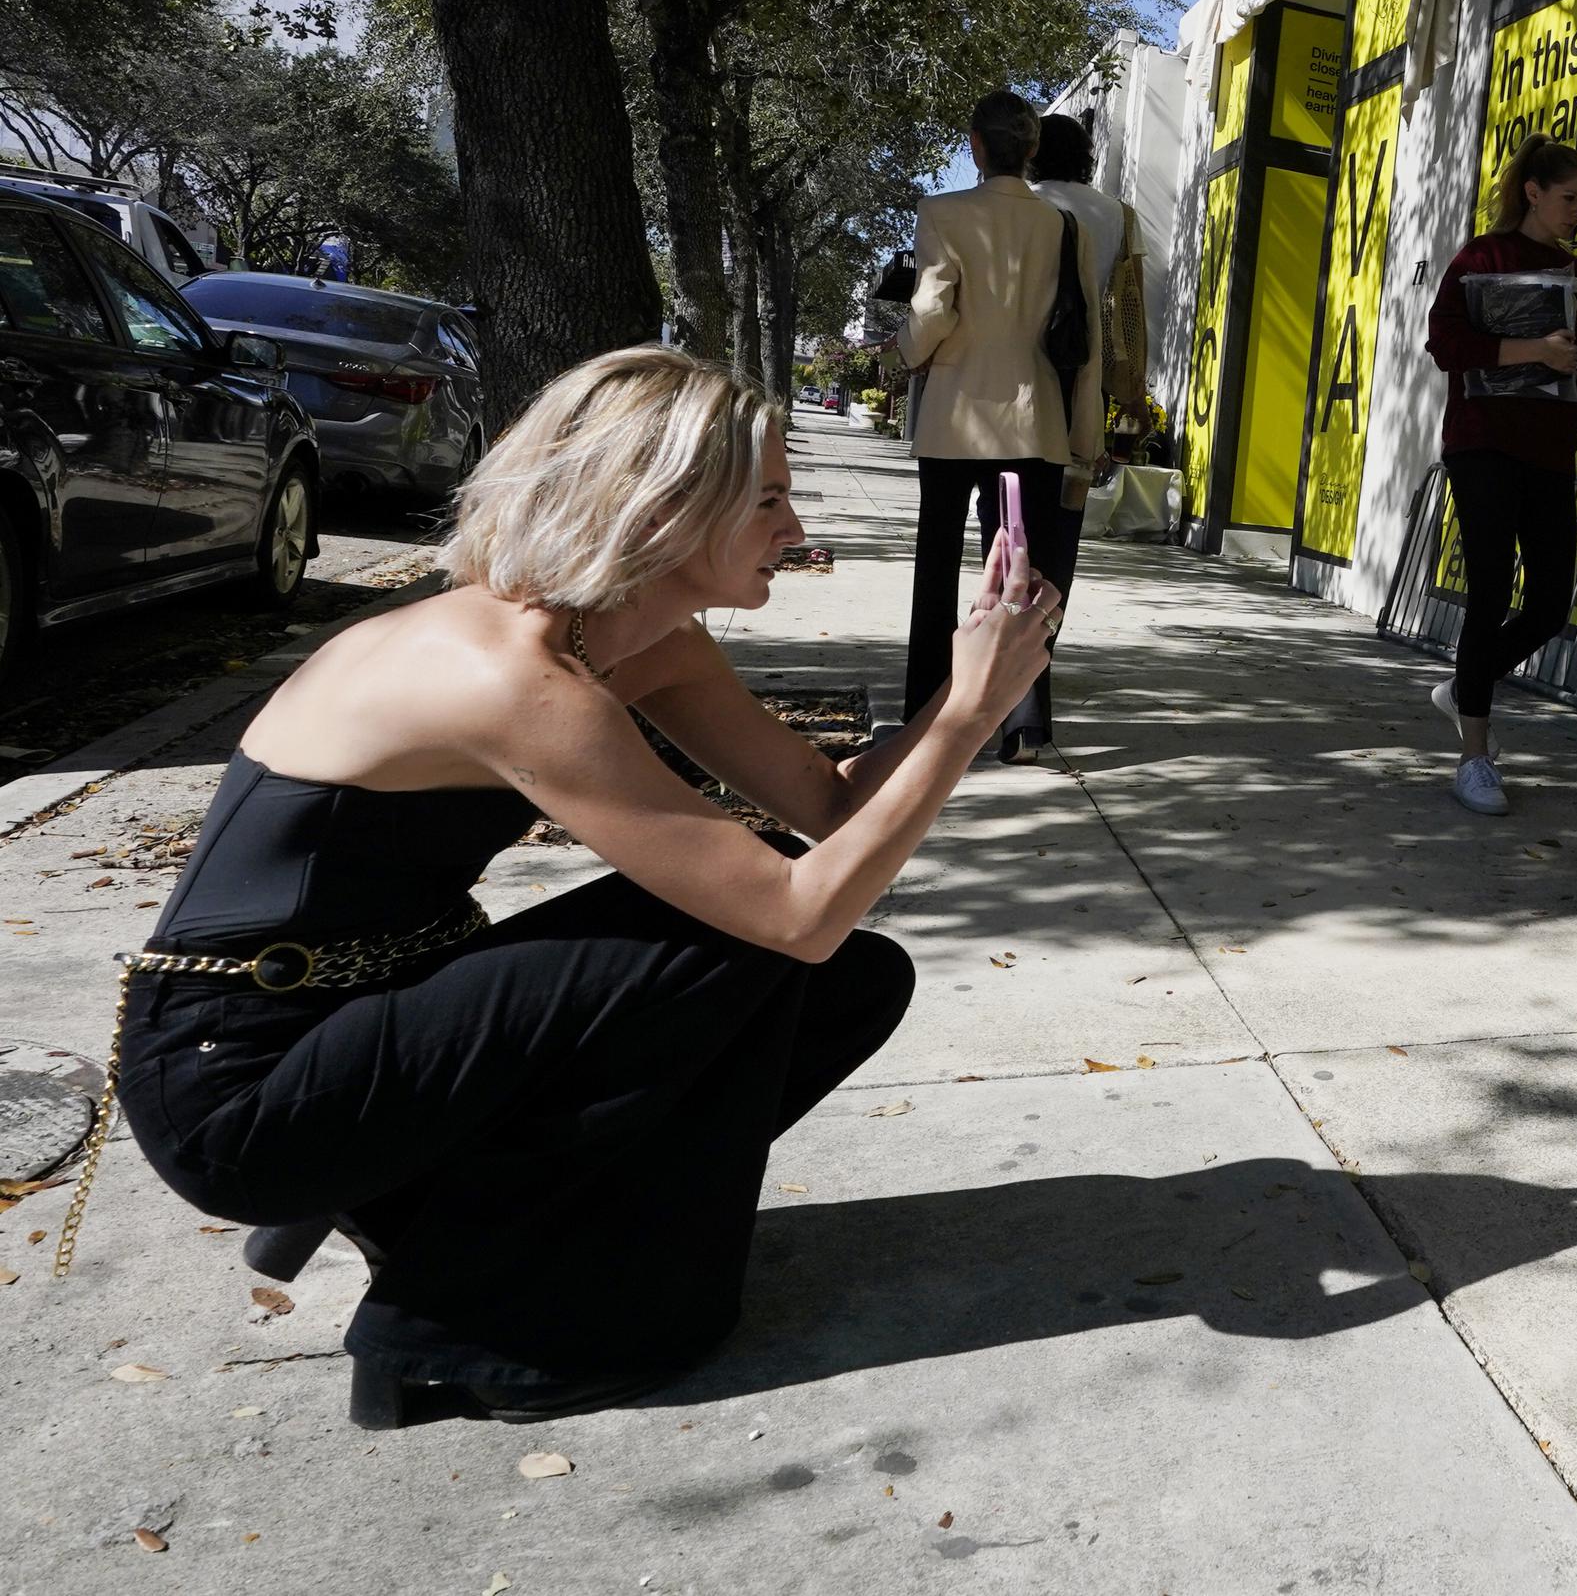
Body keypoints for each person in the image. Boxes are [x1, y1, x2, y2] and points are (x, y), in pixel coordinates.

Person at [83, 348, 1062, 1429]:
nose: (794, 527)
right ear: (665, 509)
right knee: (740, 941)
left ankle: (432, 1211)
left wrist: (973, 683)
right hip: (241, 1081)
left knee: (845, 981)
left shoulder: (641, 642)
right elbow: (799, 910)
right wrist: (967, 718)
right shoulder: (507, 673)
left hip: (367, 1003)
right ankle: (463, 1328)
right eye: (771, 498)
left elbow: (831, 808)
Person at [1422, 137, 1577, 817]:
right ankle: (1474, 756)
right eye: (1569, 197)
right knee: (1489, 587)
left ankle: (1470, 681)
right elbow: (1445, 347)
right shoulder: (1480, 258)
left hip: (1550, 453)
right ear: (1533, 192)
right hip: (1482, 444)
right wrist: (1533, 350)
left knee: (1551, 603)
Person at [898, 90, 1102, 761]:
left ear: (975, 146)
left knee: (936, 566)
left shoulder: (944, 212)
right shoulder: (1063, 225)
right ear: (1033, 148)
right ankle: (1025, 724)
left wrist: (905, 352)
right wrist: (1087, 430)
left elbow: (933, 310)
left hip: (957, 414)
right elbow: (1085, 333)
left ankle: (925, 712)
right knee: (1025, 569)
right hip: (1034, 414)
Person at [1029, 113, 1148, 433]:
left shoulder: (1021, 202)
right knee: (1076, 458)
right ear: (1085, 156)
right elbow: (1133, 299)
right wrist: (1134, 388)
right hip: (1085, 353)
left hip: (1021, 352)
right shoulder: (1119, 214)